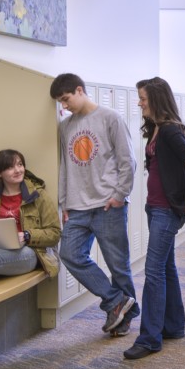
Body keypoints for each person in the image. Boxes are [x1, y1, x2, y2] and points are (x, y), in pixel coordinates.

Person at [49, 72, 139, 337]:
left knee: (118, 266)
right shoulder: (66, 126)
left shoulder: (111, 118)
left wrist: (119, 195)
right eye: (60, 103)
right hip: (77, 207)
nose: (64, 107)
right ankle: (116, 302)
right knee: (70, 255)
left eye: (66, 100)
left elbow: (127, 161)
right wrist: (64, 202)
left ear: (79, 90)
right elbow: (65, 166)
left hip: (107, 205)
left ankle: (122, 321)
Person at [123, 77, 185, 361]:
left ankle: (149, 339)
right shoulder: (154, 129)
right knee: (166, 269)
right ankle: (173, 326)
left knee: (152, 272)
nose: (140, 103)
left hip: (167, 211)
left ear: (156, 98)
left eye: (143, 98)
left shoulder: (168, 131)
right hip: (154, 208)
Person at [0, 149, 61, 295]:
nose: (18, 170)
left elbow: (55, 233)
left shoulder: (38, 195)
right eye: (10, 167)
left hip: (31, 253)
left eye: (20, 165)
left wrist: (26, 235)